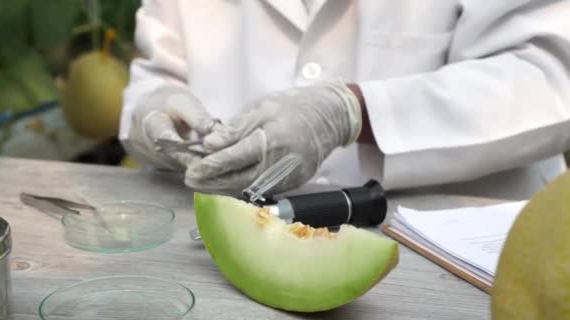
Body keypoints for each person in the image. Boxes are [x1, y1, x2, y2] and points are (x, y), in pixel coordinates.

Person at [119, 0, 570, 200]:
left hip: (460, 263)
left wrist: (353, 111)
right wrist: (153, 109)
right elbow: (158, 72)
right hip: (228, 256)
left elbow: (549, 76)